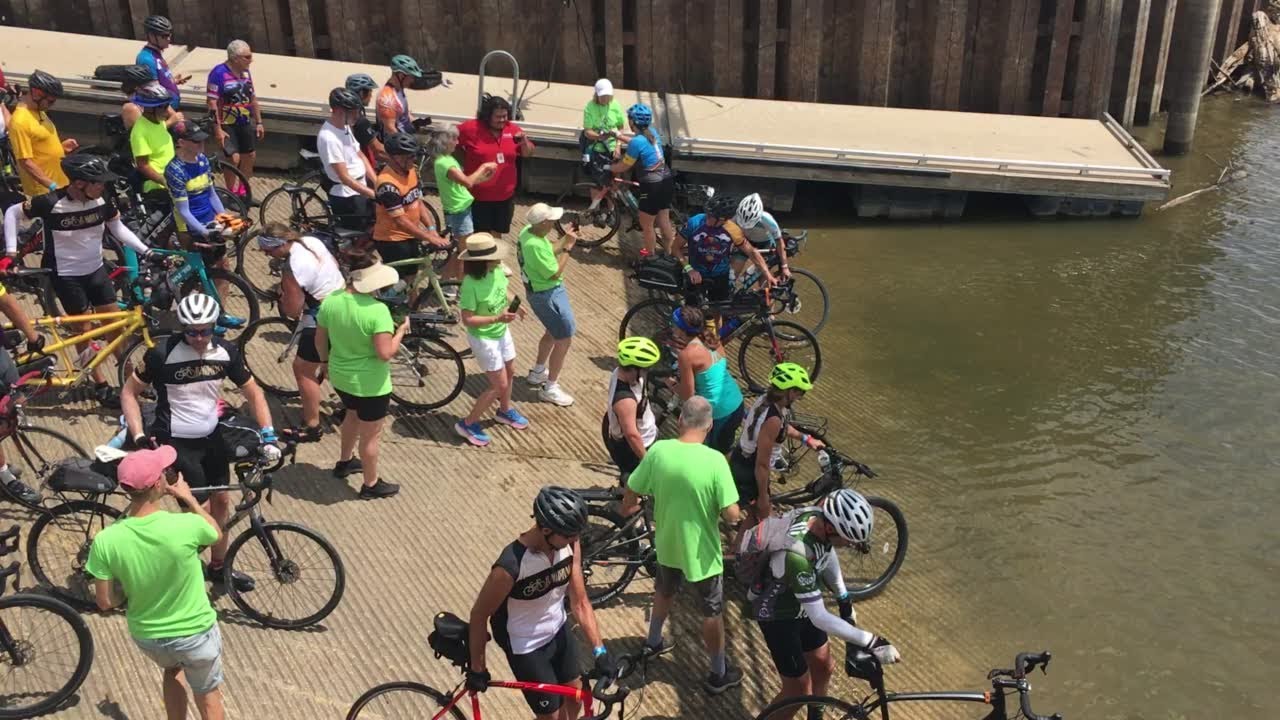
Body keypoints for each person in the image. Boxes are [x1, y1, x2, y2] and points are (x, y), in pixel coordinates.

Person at [121, 293, 281, 591]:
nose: (198, 338)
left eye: (205, 331)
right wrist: (139, 434)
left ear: (214, 326)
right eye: (191, 332)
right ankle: (184, 572)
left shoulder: (226, 352)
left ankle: (218, 567)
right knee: (198, 511)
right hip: (175, 442)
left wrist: (269, 434)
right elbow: (129, 393)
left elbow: (254, 393)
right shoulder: (161, 353)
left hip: (211, 437)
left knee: (222, 502)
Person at [85, 446, 229, 720]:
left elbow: (104, 602)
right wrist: (189, 498)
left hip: (150, 637)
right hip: (195, 634)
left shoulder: (106, 540)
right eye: (164, 472)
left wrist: (127, 590)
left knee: (172, 669)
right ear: (158, 485)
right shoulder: (185, 525)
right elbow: (215, 533)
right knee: (207, 694)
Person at [3, 154, 150, 407]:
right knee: (84, 332)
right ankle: (99, 383)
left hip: (96, 270)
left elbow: (117, 227)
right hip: (66, 275)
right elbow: (12, 213)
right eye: (98, 182)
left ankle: (128, 378)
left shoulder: (102, 200)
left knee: (114, 326)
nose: (103, 186)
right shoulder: (51, 202)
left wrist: (146, 251)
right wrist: (11, 252)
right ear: (79, 183)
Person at [621, 396, 744, 694]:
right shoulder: (715, 460)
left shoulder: (659, 451)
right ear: (709, 426)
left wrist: (628, 506)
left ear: (680, 421)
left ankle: (653, 641)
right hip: (703, 555)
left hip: (667, 544)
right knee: (711, 611)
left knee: (664, 591)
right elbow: (731, 514)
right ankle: (718, 673)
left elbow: (633, 487)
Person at [467, 486, 614, 720]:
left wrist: (600, 651)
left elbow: (580, 602)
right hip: (526, 645)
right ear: (546, 530)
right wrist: (478, 668)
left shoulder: (569, 545)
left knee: (576, 697)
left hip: (558, 630)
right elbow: (479, 615)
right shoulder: (510, 566)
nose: (575, 539)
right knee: (551, 717)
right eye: (569, 535)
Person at [752, 489, 901, 713]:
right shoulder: (798, 557)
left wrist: (843, 598)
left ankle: (816, 716)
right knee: (798, 690)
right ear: (831, 528)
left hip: (801, 603)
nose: (852, 545)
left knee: (823, 667)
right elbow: (820, 617)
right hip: (777, 614)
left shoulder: (819, 520)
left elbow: (826, 553)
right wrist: (872, 641)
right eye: (848, 539)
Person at [314, 258, 404, 499]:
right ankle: (370, 484)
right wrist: (401, 332)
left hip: (340, 376)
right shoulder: (378, 311)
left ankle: (345, 462)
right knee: (371, 435)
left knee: (351, 415)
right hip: (371, 385)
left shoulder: (331, 301)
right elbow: (385, 353)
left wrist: (324, 363)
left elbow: (320, 338)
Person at [255, 224, 344, 443]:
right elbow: (333, 265)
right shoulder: (311, 241)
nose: (266, 255)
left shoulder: (292, 268)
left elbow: (293, 311)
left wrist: (282, 297)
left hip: (323, 316)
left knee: (303, 369)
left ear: (280, 245)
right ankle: (350, 406)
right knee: (336, 362)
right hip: (344, 302)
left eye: (268, 250)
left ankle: (312, 426)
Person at [454, 233, 529, 447]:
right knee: (498, 385)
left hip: (501, 331)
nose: (500, 257)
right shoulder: (470, 284)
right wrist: (497, 318)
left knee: (510, 370)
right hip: (484, 339)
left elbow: (503, 290)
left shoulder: (496, 270)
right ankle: (467, 424)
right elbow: (468, 319)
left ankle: (504, 411)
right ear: (484, 261)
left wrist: (516, 303)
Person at [730, 363, 823, 521]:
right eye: (800, 392)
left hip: (742, 459)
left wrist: (806, 439)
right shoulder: (772, 420)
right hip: (749, 470)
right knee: (762, 517)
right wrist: (763, 496)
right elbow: (762, 464)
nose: (800, 397)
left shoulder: (767, 400)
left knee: (755, 517)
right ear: (789, 391)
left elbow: (783, 428)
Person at [517, 203, 578, 407]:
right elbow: (554, 272)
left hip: (538, 292)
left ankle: (538, 372)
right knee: (564, 338)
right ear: (543, 222)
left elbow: (549, 251)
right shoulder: (534, 245)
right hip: (548, 295)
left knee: (552, 332)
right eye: (551, 220)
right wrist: (568, 247)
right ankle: (550, 388)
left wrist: (565, 238)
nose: (554, 222)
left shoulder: (528, 232)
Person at [371, 132, 449, 287]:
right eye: (409, 156)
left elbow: (418, 202)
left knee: (412, 278)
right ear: (396, 158)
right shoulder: (387, 184)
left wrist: (431, 229)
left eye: (414, 155)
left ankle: (411, 302)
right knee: (397, 283)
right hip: (392, 241)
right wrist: (429, 238)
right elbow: (400, 220)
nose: (413, 160)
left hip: (410, 235)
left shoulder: (411, 170)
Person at [673, 192, 775, 306]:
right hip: (696, 273)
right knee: (691, 311)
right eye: (707, 214)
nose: (707, 219)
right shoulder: (694, 222)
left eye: (711, 217)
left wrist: (767, 274)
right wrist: (689, 269)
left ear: (723, 220)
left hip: (720, 277)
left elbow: (751, 252)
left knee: (718, 310)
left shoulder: (733, 230)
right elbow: (675, 248)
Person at [670, 305, 745, 454]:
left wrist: (671, 384)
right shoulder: (711, 338)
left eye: (674, 324)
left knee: (714, 455)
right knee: (724, 449)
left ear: (681, 330)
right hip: (737, 403)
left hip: (720, 414)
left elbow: (688, 396)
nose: (672, 327)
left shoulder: (687, 355)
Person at [458, 94, 534, 239]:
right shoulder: (470, 128)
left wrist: (524, 142)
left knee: (497, 236)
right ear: (487, 116)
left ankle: (495, 255)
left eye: (505, 116)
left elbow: (528, 154)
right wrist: (462, 160)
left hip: (505, 197)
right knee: (479, 237)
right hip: (478, 197)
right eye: (498, 117)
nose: (502, 120)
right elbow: (449, 141)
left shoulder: (512, 129)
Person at [610, 103, 672, 257]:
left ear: (632, 122)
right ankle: (670, 254)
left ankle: (649, 257)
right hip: (666, 179)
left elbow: (624, 166)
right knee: (664, 220)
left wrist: (608, 167)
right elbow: (638, 143)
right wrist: (618, 136)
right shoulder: (652, 132)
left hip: (652, 185)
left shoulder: (637, 141)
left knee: (647, 225)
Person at [427, 124, 496, 254]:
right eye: (454, 139)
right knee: (463, 252)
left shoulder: (447, 159)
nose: (457, 142)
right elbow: (468, 183)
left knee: (460, 252)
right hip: (458, 211)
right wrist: (483, 167)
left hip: (461, 208)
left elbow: (464, 183)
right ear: (445, 141)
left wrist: (484, 178)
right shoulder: (445, 163)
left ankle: (450, 268)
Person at [206, 40, 261, 198]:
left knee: (249, 156)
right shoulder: (218, 73)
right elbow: (211, 103)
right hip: (226, 122)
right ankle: (231, 193)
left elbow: (253, 98)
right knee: (233, 158)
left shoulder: (246, 72)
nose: (251, 60)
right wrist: (217, 129)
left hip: (244, 121)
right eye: (247, 57)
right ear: (235, 58)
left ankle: (243, 191)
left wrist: (259, 122)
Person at [8, 70, 76, 197]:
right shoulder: (20, 121)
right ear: (36, 93)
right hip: (44, 191)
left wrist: (62, 148)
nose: (52, 105)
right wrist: (51, 185)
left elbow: (40, 147)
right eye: (50, 101)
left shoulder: (40, 112)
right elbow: (25, 161)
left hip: (61, 184)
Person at [602, 337, 661, 477]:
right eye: (646, 369)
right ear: (634, 369)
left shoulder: (620, 373)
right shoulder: (625, 400)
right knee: (635, 485)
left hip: (647, 436)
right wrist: (647, 462)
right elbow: (632, 435)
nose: (647, 372)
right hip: (634, 451)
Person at [318, 87, 376, 230]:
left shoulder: (345, 127)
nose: (357, 115)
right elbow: (344, 177)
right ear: (339, 111)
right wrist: (373, 194)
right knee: (359, 235)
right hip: (347, 196)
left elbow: (359, 154)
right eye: (353, 112)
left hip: (360, 188)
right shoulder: (329, 138)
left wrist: (377, 182)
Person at [581, 78, 626, 210]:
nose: (606, 99)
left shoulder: (615, 105)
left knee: (614, 182)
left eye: (608, 96)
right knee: (598, 183)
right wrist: (600, 137)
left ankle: (612, 212)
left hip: (612, 150)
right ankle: (595, 211)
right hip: (598, 150)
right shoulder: (590, 107)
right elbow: (587, 131)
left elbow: (620, 126)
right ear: (596, 95)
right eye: (602, 96)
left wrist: (618, 146)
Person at [130, 83, 178, 208]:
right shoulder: (140, 132)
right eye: (163, 107)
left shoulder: (159, 122)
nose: (167, 111)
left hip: (174, 177)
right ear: (150, 109)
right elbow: (143, 165)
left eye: (168, 105)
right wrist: (163, 181)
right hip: (157, 185)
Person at [731, 192, 791, 286]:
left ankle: (766, 294)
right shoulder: (734, 218)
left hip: (766, 243)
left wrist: (785, 267)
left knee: (764, 279)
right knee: (732, 275)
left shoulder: (767, 220)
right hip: (746, 242)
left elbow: (779, 242)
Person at [136, 15, 190, 111]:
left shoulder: (156, 54)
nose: (168, 39)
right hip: (163, 113)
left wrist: (172, 81)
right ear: (152, 36)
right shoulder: (146, 59)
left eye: (169, 35)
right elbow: (154, 93)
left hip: (170, 108)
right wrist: (173, 116)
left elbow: (159, 80)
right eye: (164, 36)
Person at [377, 55, 427, 139]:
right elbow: (390, 130)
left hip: (407, 136)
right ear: (401, 75)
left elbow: (402, 113)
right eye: (411, 77)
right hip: (397, 143)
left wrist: (416, 122)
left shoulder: (399, 90)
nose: (412, 80)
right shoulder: (387, 98)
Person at [344, 73, 384, 165]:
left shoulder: (346, 113)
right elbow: (378, 150)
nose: (371, 96)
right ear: (362, 93)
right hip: (360, 166)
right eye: (370, 92)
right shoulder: (359, 120)